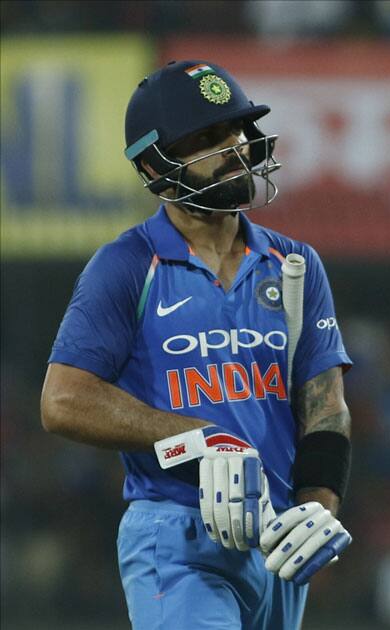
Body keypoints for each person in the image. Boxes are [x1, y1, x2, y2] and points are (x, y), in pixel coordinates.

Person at [41, 59, 353, 630]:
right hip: (178, 531)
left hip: (276, 542)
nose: (235, 146)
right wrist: (200, 442)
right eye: (209, 138)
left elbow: (326, 406)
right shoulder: (127, 265)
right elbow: (63, 400)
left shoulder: (295, 264)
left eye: (237, 129)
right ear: (156, 164)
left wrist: (318, 505)